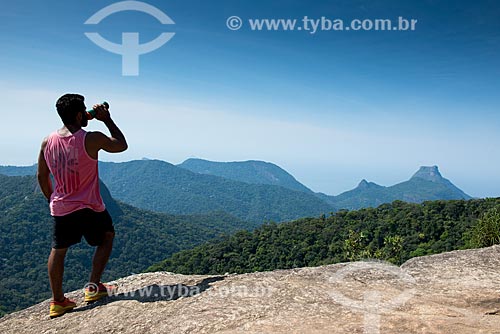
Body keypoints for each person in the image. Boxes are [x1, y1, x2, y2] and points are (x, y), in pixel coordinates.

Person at [37, 94, 128, 318]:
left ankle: (58, 302)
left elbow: (41, 176)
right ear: (79, 115)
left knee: (58, 250)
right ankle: (93, 287)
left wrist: (52, 199)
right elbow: (121, 145)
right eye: (84, 110)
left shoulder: (47, 141)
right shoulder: (92, 138)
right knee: (107, 236)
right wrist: (106, 119)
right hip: (89, 206)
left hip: (61, 206)